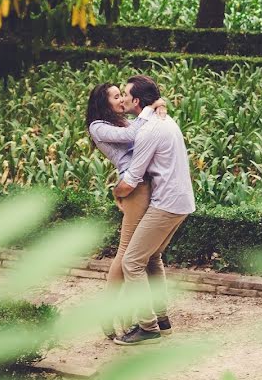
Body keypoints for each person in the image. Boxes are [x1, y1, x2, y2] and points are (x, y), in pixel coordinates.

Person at [111, 75, 196, 346]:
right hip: (181, 201)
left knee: (131, 262)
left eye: (125, 94)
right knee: (152, 258)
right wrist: (160, 103)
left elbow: (133, 177)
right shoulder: (160, 119)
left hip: (166, 203)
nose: (122, 98)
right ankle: (161, 319)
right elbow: (145, 117)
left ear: (136, 101)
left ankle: (148, 328)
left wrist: (116, 193)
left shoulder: (150, 130)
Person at [85, 82, 166, 340]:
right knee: (126, 252)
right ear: (103, 102)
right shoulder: (98, 127)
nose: (122, 100)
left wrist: (157, 109)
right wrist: (150, 108)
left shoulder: (122, 122)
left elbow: (149, 132)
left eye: (123, 95)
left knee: (145, 254)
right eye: (116, 96)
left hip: (142, 186)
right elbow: (136, 137)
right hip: (135, 188)